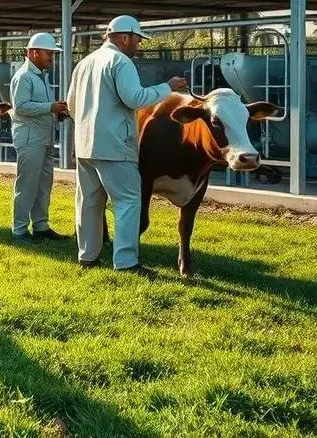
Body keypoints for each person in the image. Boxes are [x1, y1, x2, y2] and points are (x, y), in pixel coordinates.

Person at [66, 15, 187, 276]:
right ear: (124, 38)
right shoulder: (121, 62)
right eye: (137, 40)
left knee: (88, 201)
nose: (138, 45)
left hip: (85, 145)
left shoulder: (85, 63)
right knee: (128, 200)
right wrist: (167, 88)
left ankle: (87, 256)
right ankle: (126, 262)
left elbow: (71, 104)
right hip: (115, 146)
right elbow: (135, 98)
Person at [10, 32, 70, 244]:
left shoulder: (40, 76)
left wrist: (57, 112)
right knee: (27, 185)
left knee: (44, 184)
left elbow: (37, 107)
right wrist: (50, 107)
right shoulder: (24, 77)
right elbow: (21, 107)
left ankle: (41, 226)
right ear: (34, 53)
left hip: (42, 138)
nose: (51, 58)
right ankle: (19, 230)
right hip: (29, 139)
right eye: (49, 54)